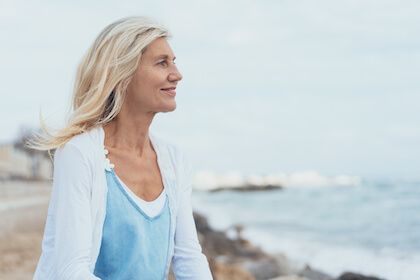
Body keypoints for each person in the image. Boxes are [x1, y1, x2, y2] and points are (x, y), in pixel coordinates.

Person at [29, 16, 213, 280]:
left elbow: (189, 257)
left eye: (174, 62)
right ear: (123, 73)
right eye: (162, 63)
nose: (177, 74)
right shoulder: (79, 154)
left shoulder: (174, 159)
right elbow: (71, 270)